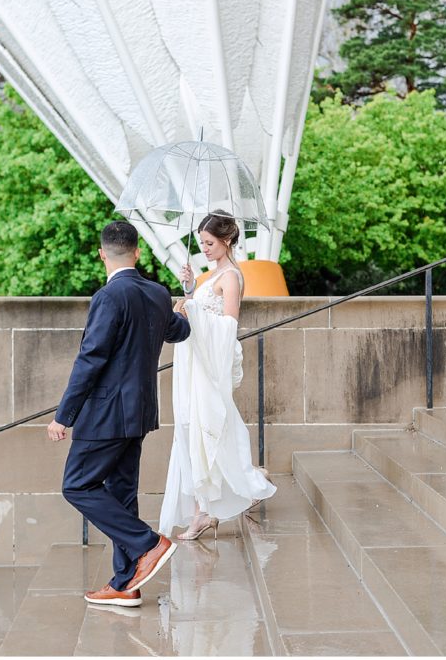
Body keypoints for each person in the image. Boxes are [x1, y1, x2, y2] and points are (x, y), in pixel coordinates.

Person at [47, 220, 191, 608]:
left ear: (101, 254)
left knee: (76, 485)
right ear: (137, 252)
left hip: (107, 415)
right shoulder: (157, 293)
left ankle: (150, 544)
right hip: (141, 412)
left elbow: (91, 360)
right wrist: (183, 300)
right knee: (122, 493)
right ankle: (126, 582)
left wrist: (64, 416)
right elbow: (180, 331)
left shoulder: (109, 297)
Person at [158, 210, 277, 541]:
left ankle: (212, 507)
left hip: (208, 367)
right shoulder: (212, 276)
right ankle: (222, 496)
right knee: (188, 429)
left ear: (226, 241)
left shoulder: (231, 278)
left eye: (209, 243)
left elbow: (228, 326)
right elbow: (199, 312)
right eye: (201, 243)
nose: (204, 248)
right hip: (193, 364)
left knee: (204, 429)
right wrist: (189, 289)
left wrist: (192, 309)